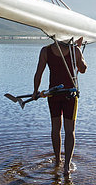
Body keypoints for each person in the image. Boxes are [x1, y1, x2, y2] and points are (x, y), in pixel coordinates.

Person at [32, 39, 87, 176]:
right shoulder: (75, 50)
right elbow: (83, 69)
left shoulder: (45, 50)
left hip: (53, 95)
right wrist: (80, 55)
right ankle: (66, 167)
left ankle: (58, 161)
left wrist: (35, 91)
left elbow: (39, 73)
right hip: (70, 95)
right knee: (70, 131)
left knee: (55, 128)